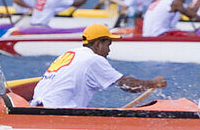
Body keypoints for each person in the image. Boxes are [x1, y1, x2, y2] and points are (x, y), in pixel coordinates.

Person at [31, 24, 166, 108]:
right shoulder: (93, 59)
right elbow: (127, 85)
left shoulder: (70, 53)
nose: (108, 51)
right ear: (97, 44)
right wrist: (153, 83)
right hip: (54, 114)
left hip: (35, 107)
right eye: (108, 45)